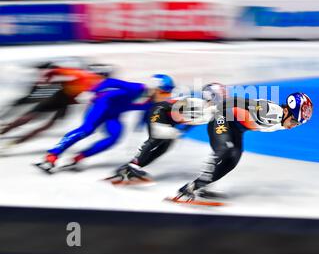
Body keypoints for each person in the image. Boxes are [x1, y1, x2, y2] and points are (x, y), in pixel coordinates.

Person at [171, 92, 313, 202]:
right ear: (287, 111)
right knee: (225, 149)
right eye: (294, 120)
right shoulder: (270, 111)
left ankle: (200, 186)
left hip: (235, 128)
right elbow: (238, 101)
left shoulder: (284, 120)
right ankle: (189, 188)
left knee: (233, 159)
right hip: (221, 118)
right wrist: (213, 109)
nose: (293, 126)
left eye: (298, 124)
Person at [35, 74, 175, 174]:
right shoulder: (137, 89)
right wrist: (92, 91)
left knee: (114, 137)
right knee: (87, 129)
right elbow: (111, 81)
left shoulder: (153, 103)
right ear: (155, 88)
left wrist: (140, 126)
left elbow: (146, 116)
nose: (165, 95)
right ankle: (51, 156)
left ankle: (79, 157)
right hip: (101, 106)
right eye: (164, 91)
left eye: (167, 93)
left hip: (113, 114)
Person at [105, 83, 226, 185]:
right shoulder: (196, 102)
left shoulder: (208, 110)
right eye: (221, 95)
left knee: (164, 147)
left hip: (168, 119)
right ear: (212, 95)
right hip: (159, 111)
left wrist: (181, 130)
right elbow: (169, 107)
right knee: (157, 137)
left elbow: (190, 122)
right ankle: (132, 166)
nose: (224, 97)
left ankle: (130, 167)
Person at [0, 63, 110, 148]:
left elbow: (53, 71)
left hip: (64, 99)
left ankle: (11, 139)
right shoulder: (82, 75)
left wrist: (44, 81)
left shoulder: (90, 79)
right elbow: (54, 70)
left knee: (41, 122)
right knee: (36, 120)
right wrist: (44, 82)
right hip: (59, 96)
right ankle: (13, 141)